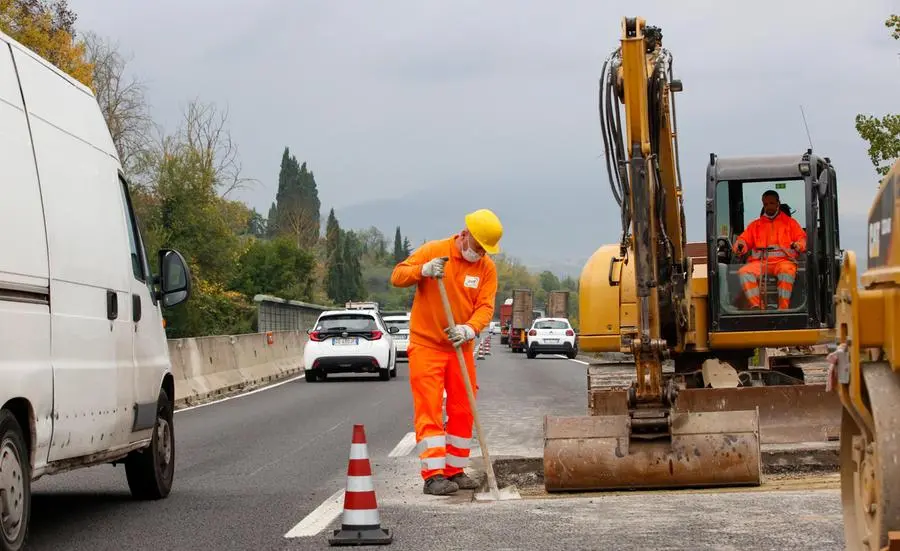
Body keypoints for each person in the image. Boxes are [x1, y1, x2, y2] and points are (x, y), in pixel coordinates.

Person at [389, 209, 502, 495]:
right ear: (464, 235)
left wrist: (470, 329)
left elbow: (486, 307)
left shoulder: (486, 268)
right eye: (477, 248)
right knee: (429, 408)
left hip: (459, 346)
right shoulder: (434, 251)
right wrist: (422, 271)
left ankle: (455, 469)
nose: (480, 254)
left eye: (484, 250)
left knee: (464, 407)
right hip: (427, 344)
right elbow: (397, 276)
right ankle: (433, 475)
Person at [732, 190, 807, 309]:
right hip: (760, 263)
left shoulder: (790, 223)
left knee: (787, 271)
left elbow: (802, 239)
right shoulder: (755, 226)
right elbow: (743, 240)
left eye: (771, 203)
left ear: (778, 203)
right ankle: (757, 306)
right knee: (744, 272)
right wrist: (740, 245)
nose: (768, 207)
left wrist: (799, 245)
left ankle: (783, 308)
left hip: (783, 261)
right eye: (765, 204)